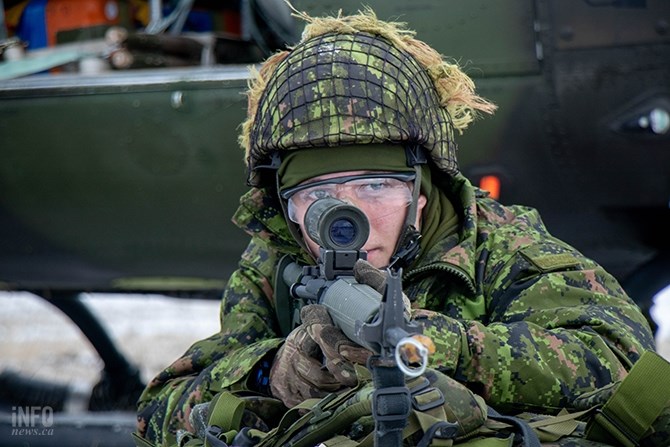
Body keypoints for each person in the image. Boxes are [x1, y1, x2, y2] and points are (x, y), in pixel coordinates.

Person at [135, 8, 656, 445]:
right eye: (317, 196)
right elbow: (156, 411)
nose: (349, 217)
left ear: (422, 190)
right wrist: (273, 373)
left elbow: (627, 368)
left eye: (376, 186)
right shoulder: (278, 264)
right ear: (286, 209)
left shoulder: (499, 247)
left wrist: (437, 345)